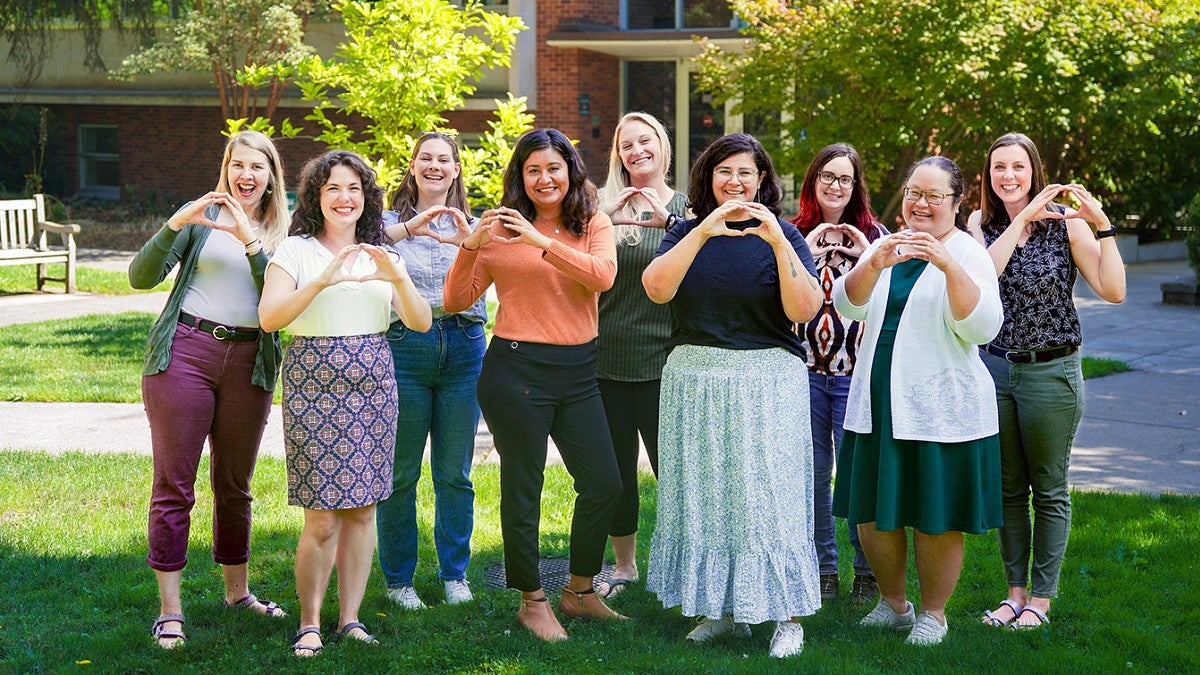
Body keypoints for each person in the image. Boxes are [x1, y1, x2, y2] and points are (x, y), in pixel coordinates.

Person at [642, 133, 825, 659]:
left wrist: (774, 242)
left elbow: (803, 311)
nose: (736, 182)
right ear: (709, 178)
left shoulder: (785, 233)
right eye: (725, 172)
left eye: (746, 173)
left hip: (768, 383)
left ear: (762, 180)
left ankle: (787, 617)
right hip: (696, 379)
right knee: (707, 496)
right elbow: (657, 289)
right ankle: (722, 612)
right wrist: (701, 231)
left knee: (770, 499)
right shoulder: (684, 231)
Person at [443, 128, 623, 642]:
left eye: (553, 168)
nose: (545, 179)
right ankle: (532, 600)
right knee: (525, 488)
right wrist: (470, 246)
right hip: (515, 372)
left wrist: (541, 242)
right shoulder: (499, 231)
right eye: (533, 170)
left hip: (579, 372)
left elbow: (601, 277)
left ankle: (580, 590)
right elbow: (457, 299)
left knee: (604, 484)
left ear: (570, 170)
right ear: (520, 177)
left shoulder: (593, 221)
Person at [258, 150, 432, 656]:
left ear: (366, 198)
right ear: (316, 196)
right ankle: (310, 621)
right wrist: (322, 280)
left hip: (374, 382)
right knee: (323, 516)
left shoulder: (385, 256)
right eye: (333, 188)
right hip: (314, 381)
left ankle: (349, 619)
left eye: (354, 188)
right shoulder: (294, 252)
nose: (344, 197)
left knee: (363, 512)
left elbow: (420, 321)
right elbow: (271, 319)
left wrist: (395, 276)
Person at [831, 156, 1004, 646]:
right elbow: (848, 303)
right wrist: (874, 263)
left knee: (934, 514)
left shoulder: (968, 253)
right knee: (871, 512)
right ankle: (893, 605)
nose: (920, 204)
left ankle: (933, 614)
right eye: (913, 193)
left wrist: (947, 265)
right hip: (876, 401)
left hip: (939, 410)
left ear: (956, 201)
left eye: (933, 195)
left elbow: (982, 328)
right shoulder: (891, 245)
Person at [130, 130, 290, 649]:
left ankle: (237, 593)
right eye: (237, 165)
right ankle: (170, 610)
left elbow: (278, 297)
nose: (246, 175)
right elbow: (140, 277)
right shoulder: (200, 217)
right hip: (185, 353)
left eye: (257, 167)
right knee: (175, 485)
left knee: (235, 484)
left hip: (250, 362)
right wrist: (176, 223)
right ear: (225, 167)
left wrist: (250, 240)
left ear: (271, 175)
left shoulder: (287, 229)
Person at [967, 133, 1126, 630]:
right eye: (999, 168)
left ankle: (1042, 598)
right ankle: (1014, 595)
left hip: (1051, 371)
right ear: (988, 176)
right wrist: (1022, 218)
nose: (1008, 176)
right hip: (995, 369)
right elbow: (982, 279)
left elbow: (1114, 290)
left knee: (1049, 488)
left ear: (1035, 172)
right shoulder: (980, 224)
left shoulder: (1066, 228)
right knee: (1009, 489)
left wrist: (1101, 225)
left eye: (1018, 167)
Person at [374, 132, 484, 610]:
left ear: (457, 169)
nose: (435, 166)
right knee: (400, 473)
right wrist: (412, 227)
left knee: (454, 472)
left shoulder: (476, 224)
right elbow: (360, 246)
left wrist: (472, 243)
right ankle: (399, 580)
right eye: (426, 158)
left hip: (465, 346)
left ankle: (454, 574)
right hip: (406, 347)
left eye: (444, 159)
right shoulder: (386, 223)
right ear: (413, 166)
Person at [594, 112, 688, 598]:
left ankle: (678, 565)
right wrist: (601, 221)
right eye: (626, 144)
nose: (636, 151)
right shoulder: (599, 209)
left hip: (667, 363)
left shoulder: (690, 209)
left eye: (645, 141)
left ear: (662, 147)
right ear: (618, 154)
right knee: (615, 473)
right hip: (606, 359)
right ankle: (625, 567)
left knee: (673, 471)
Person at [790, 143, 887, 605]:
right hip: (804, 373)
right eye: (827, 176)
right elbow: (778, 298)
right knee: (812, 478)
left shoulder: (874, 234)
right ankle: (823, 569)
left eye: (845, 178)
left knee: (855, 477)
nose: (835, 185)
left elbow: (887, 296)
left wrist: (867, 250)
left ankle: (867, 572)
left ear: (856, 186)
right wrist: (806, 250)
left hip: (855, 376)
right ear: (813, 182)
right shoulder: (791, 233)